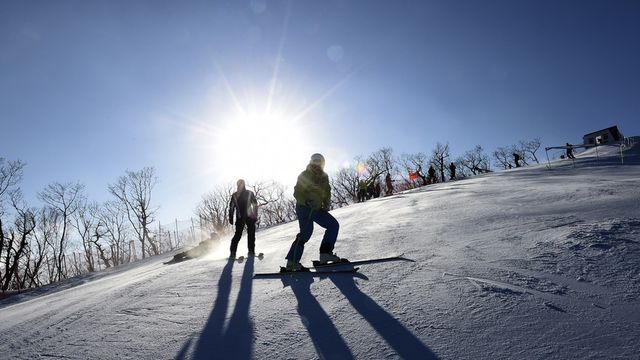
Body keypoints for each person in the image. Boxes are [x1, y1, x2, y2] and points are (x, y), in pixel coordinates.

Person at [284, 153, 342, 271]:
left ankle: (325, 254)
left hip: (317, 209)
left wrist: (326, 203)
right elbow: (297, 192)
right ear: (311, 162)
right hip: (304, 207)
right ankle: (292, 262)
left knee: (333, 225)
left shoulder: (324, 176)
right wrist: (306, 201)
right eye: (314, 161)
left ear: (322, 164)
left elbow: (327, 191)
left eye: (319, 162)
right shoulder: (304, 175)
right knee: (306, 233)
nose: (316, 164)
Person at [228, 179, 258, 259]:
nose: (241, 185)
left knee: (251, 234)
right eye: (239, 184)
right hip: (240, 217)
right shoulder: (234, 195)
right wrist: (230, 217)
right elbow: (231, 207)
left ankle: (251, 251)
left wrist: (255, 215)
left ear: (244, 184)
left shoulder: (249, 193)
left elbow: (255, 204)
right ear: (237, 185)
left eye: (242, 184)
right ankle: (233, 252)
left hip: (250, 216)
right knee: (238, 234)